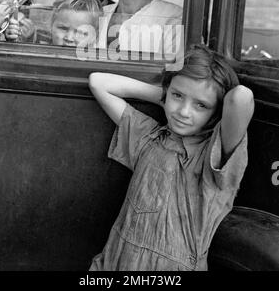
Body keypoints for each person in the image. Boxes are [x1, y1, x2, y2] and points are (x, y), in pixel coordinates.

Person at [88, 44, 254, 271]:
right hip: (118, 262)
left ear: (216, 112)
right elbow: (99, 82)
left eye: (201, 105)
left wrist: (178, 96)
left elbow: (241, 97)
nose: (184, 112)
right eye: (178, 96)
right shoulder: (148, 136)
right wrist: (166, 95)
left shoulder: (213, 156)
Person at [5, 0, 102, 48]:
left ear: (94, 37)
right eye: (63, 28)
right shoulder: (41, 49)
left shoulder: (94, 62)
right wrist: (13, 39)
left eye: (81, 32)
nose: (69, 38)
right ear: (51, 25)